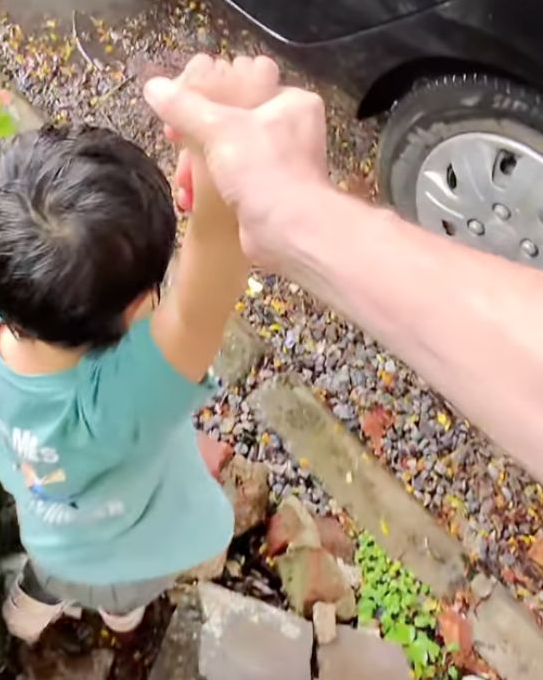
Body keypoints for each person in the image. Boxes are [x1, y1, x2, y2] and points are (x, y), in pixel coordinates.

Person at [0, 56, 281, 643]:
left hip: (51, 536)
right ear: (139, 308)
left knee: (51, 575)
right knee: (124, 597)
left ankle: (29, 613)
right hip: (128, 556)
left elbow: (200, 272)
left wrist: (205, 149)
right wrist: (221, 137)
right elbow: (211, 264)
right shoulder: (123, 403)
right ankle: (120, 618)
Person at [143, 58, 543, 478]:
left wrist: (259, 188)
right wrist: (217, 159)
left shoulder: (107, 414)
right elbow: (192, 317)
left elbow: (189, 325)